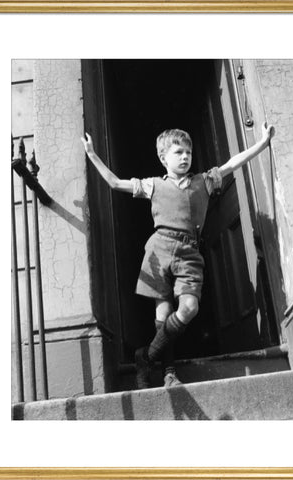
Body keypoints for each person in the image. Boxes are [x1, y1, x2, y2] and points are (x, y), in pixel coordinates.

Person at [80, 122, 274, 389]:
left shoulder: (204, 181)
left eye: (188, 153)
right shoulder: (153, 185)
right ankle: (169, 374)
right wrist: (91, 154)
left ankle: (145, 357)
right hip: (158, 250)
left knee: (189, 308)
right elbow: (114, 183)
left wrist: (262, 143)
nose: (185, 157)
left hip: (189, 253)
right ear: (163, 158)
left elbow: (233, 162)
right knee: (163, 315)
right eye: (178, 152)